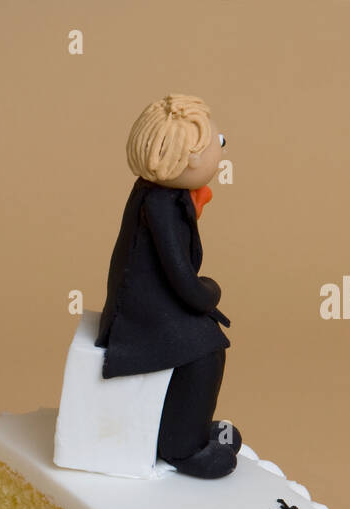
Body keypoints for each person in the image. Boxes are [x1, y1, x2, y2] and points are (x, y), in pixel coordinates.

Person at [97, 94, 242, 479]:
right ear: (190, 158)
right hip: (140, 314)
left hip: (152, 300)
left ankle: (182, 424)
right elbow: (179, 274)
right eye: (219, 143)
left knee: (200, 347)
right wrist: (205, 293)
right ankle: (182, 447)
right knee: (204, 354)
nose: (222, 150)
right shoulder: (161, 205)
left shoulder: (161, 193)